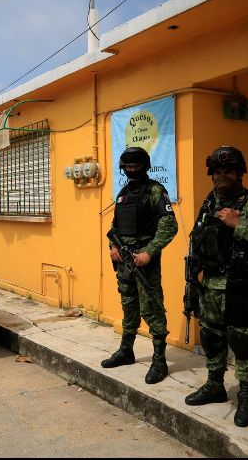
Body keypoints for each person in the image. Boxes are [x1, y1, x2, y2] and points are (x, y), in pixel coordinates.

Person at [183, 146, 248, 427]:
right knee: (211, 337)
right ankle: (215, 386)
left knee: (240, 340)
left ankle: (247, 396)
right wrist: (192, 280)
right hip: (211, 284)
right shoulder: (209, 203)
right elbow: (197, 240)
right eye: (217, 171)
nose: (222, 175)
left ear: (239, 173)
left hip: (240, 282)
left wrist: (239, 225)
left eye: (228, 170)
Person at [101, 146, 178, 384]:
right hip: (124, 262)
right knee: (129, 306)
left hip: (144, 263)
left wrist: (149, 252)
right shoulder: (123, 194)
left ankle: (159, 360)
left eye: (136, 166)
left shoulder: (155, 191)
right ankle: (126, 351)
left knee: (152, 309)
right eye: (128, 167)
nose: (132, 170)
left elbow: (169, 226)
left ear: (145, 166)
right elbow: (114, 228)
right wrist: (113, 248)